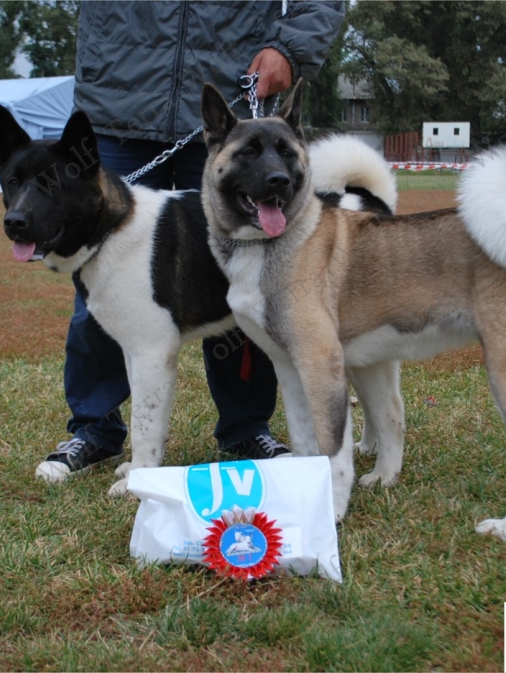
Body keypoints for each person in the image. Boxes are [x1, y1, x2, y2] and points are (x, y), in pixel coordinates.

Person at [36, 1, 346, 482]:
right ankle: (95, 429)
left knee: (251, 279)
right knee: (102, 289)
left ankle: (246, 428)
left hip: (230, 96)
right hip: (119, 91)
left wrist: (289, 45)